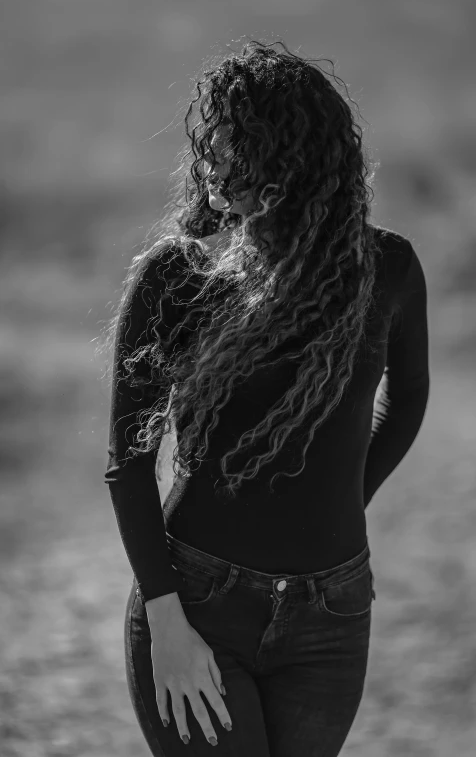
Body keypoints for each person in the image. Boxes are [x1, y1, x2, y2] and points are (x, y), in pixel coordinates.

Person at [103, 39, 430, 756]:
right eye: (213, 144)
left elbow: (406, 399)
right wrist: (166, 620)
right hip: (194, 605)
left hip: (331, 619)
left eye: (236, 145)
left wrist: (346, 497)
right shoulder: (179, 278)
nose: (214, 164)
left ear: (292, 160)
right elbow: (128, 464)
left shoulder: (386, 271)